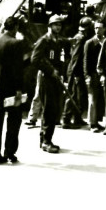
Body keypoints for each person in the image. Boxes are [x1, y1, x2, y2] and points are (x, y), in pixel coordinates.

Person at [0, 16, 29, 164]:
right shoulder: (16, 43)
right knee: (14, 121)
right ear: (15, 27)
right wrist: (19, 89)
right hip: (11, 89)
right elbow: (19, 68)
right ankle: (9, 152)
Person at [30, 15, 70, 153]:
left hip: (55, 78)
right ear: (50, 26)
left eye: (60, 25)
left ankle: (46, 139)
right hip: (46, 78)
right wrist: (49, 70)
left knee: (53, 110)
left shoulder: (58, 41)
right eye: (55, 25)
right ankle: (46, 141)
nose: (58, 27)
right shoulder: (44, 41)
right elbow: (35, 59)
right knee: (48, 110)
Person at [61, 17, 93, 128]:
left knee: (79, 96)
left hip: (75, 70)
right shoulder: (81, 38)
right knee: (72, 95)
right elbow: (75, 57)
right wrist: (74, 74)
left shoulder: (78, 36)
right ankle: (66, 119)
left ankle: (77, 118)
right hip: (76, 70)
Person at [83, 20, 106, 132]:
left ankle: (97, 121)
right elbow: (86, 60)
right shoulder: (90, 43)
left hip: (102, 74)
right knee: (92, 99)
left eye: (100, 28)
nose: (98, 30)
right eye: (96, 28)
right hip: (92, 74)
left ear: (104, 29)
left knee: (100, 99)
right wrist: (87, 76)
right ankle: (92, 123)